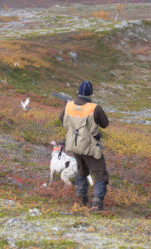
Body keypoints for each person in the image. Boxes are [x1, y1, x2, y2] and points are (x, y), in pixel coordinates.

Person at [59, 80, 109, 211]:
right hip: (91, 147)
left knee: (81, 172)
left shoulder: (69, 106)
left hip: (75, 146)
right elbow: (105, 124)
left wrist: (70, 106)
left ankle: (81, 200)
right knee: (100, 175)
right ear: (90, 93)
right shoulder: (95, 108)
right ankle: (97, 203)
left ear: (78, 92)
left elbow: (61, 120)